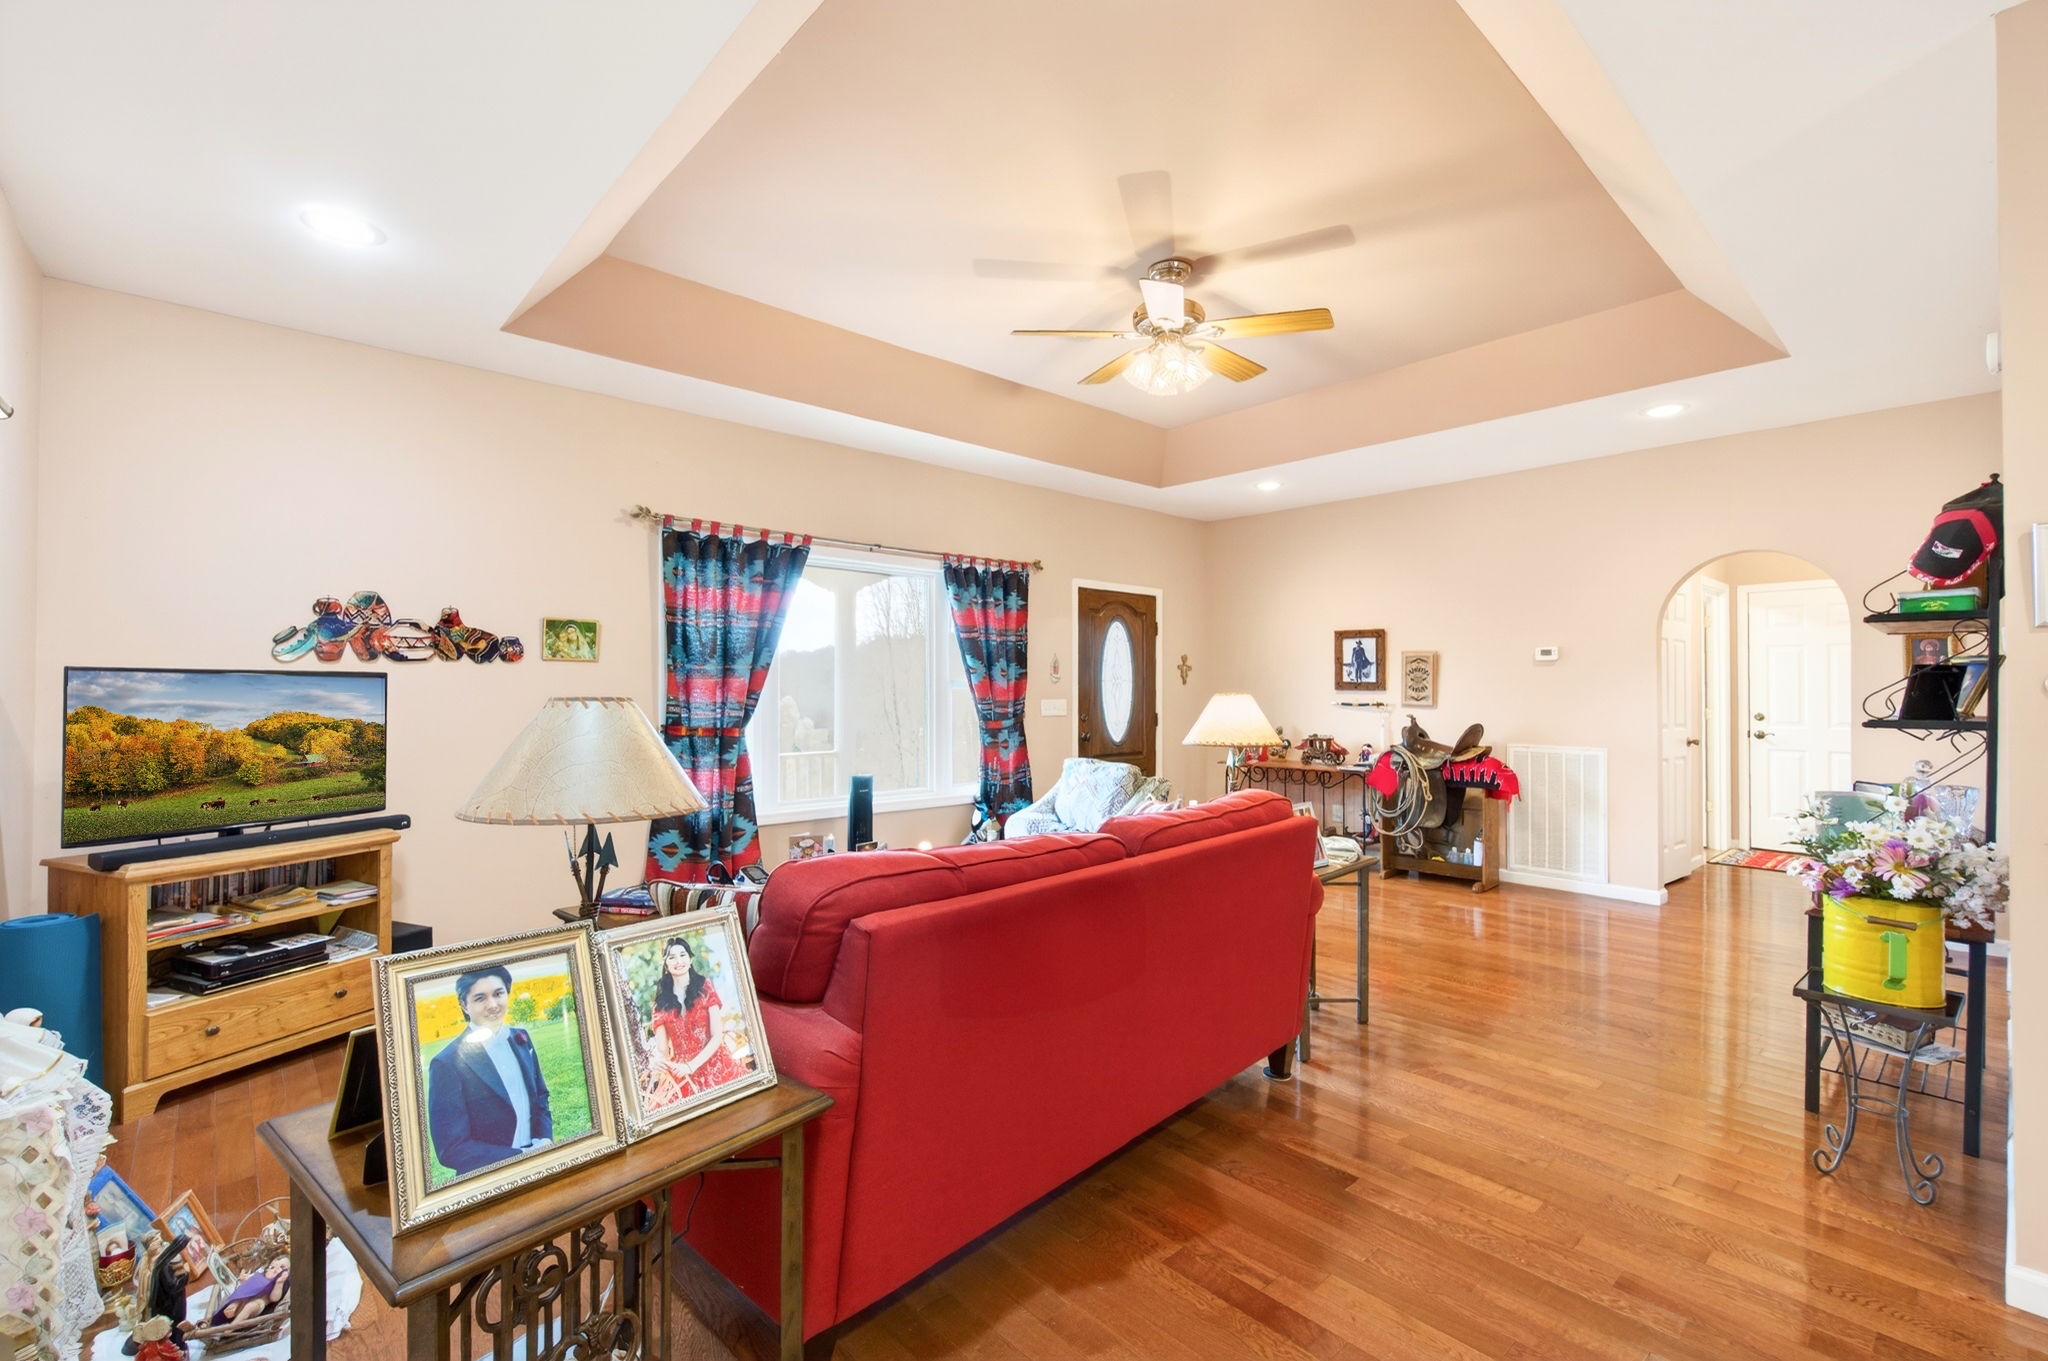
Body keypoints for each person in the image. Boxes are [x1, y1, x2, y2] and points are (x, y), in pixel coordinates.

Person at [426, 965, 554, 1176]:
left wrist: (545, 1140)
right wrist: (519, 1156)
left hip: (538, 1163)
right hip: (488, 1177)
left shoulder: (520, 1037)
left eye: (498, 993)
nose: (493, 1005)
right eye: (480, 998)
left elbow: (540, 1096)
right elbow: (451, 1149)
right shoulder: (446, 1063)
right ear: (464, 1005)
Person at [647, 937, 748, 1107]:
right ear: (665, 964)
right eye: (671, 957)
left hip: (716, 1063)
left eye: (682, 955)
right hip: (681, 1073)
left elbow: (717, 1036)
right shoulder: (660, 1005)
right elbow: (662, 1050)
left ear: (690, 959)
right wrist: (657, 1063)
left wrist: (691, 1066)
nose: (678, 961)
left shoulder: (705, 987)